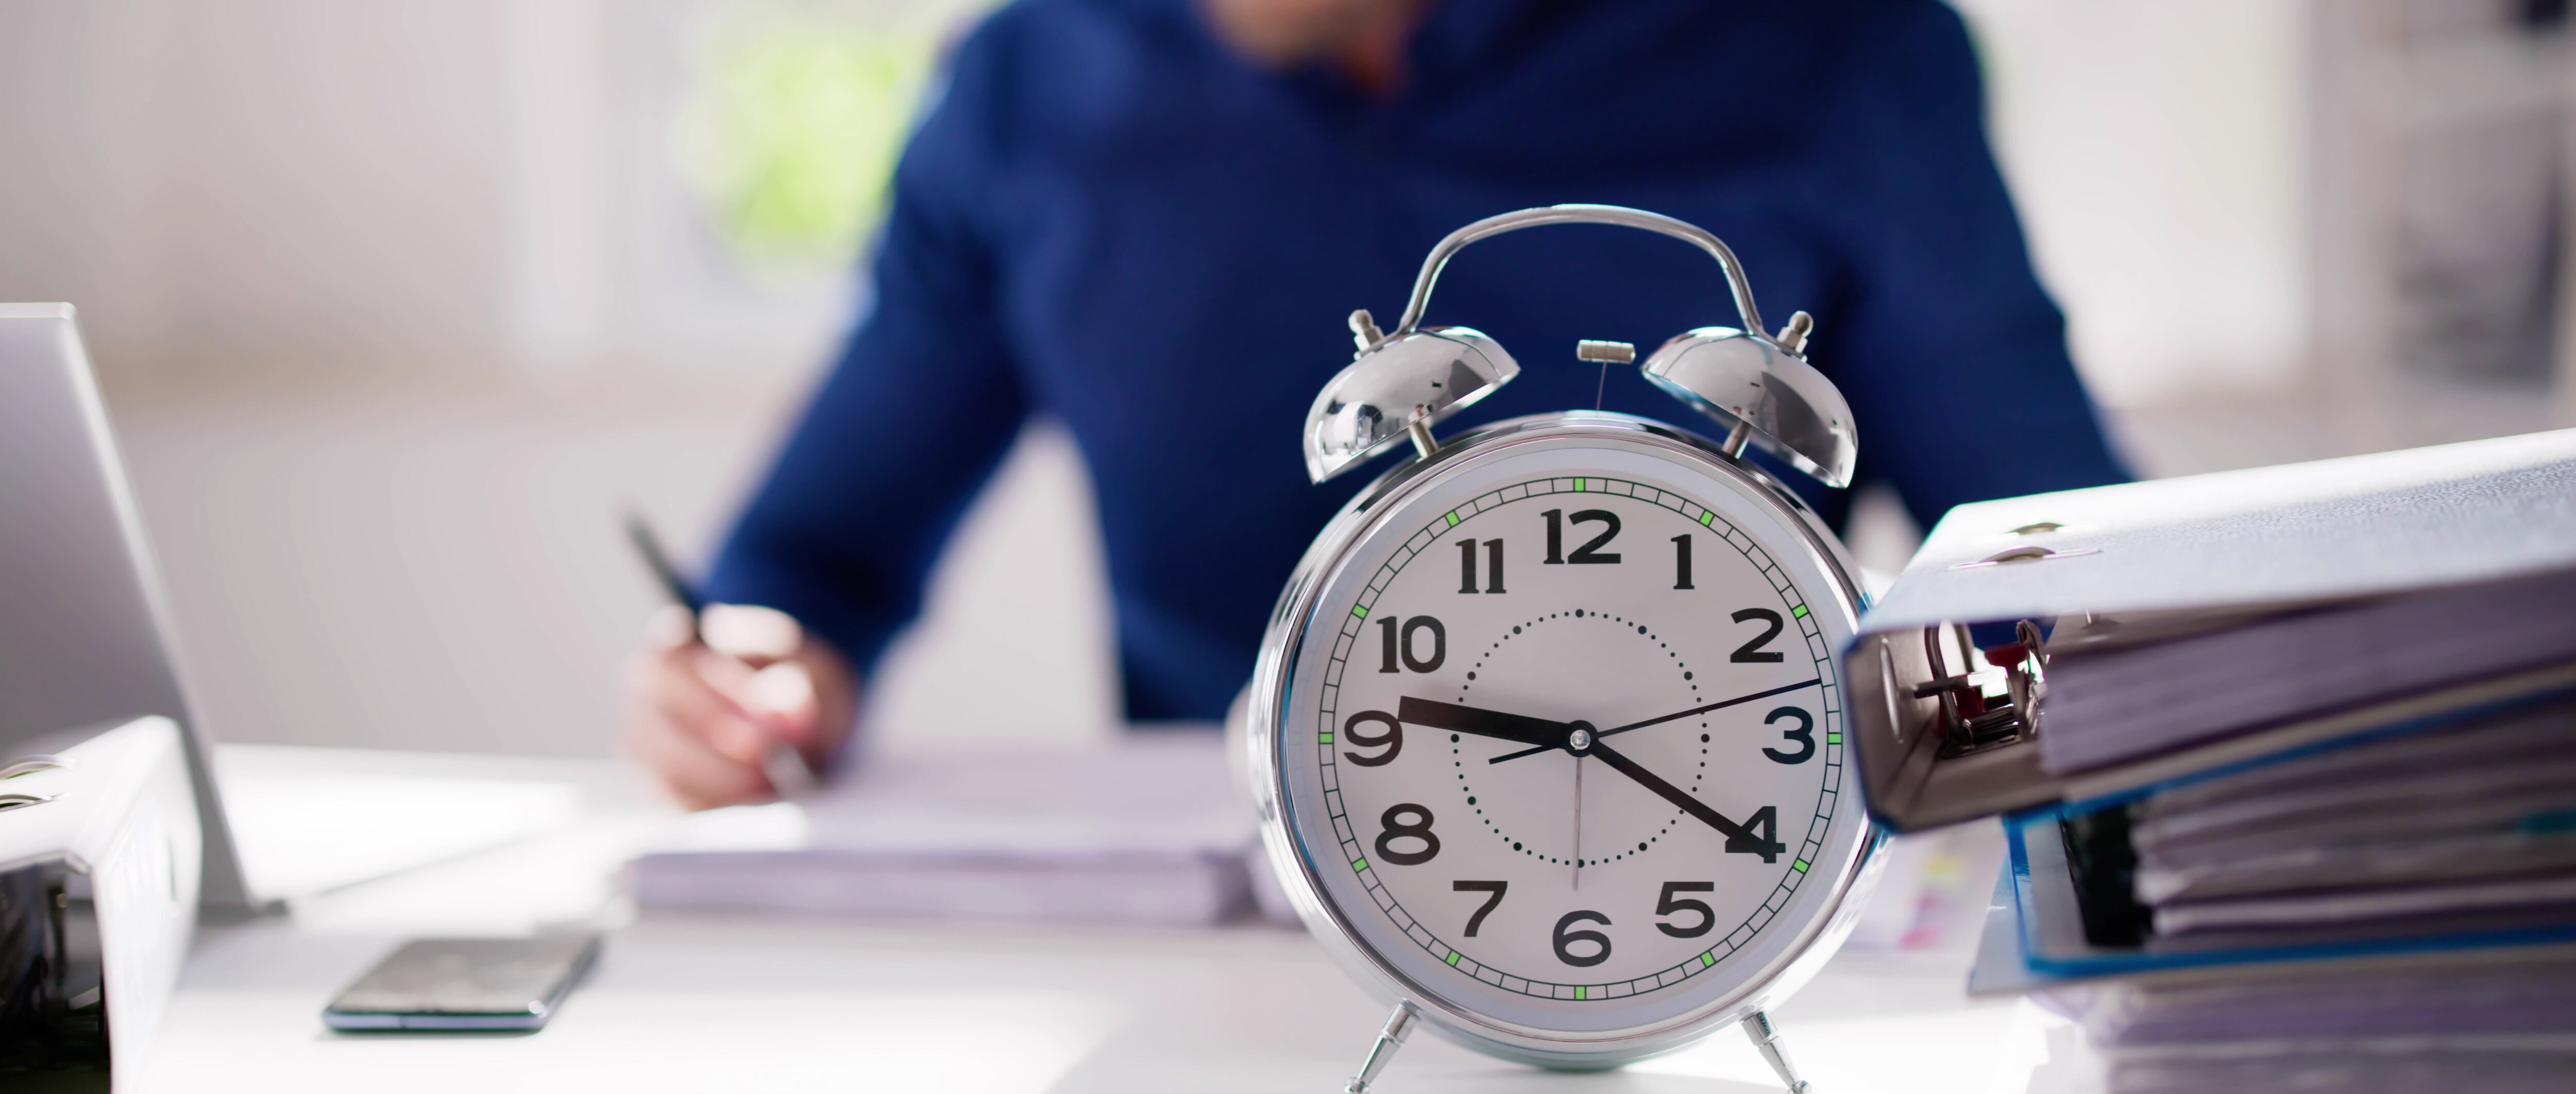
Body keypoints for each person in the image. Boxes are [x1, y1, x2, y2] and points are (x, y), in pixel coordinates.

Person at [624, 0, 2127, 809]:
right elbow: (815, 561)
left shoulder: (1840, 51)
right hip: (1231, 935)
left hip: (1713, 896)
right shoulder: (1028, 87)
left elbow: (2062, 575)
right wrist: (758, 672)